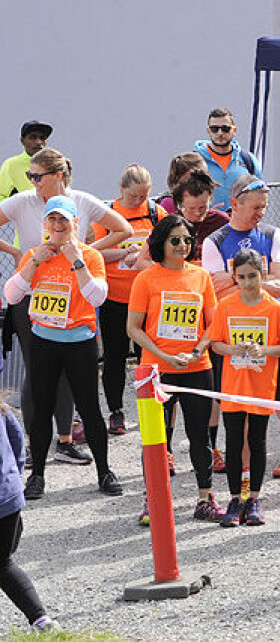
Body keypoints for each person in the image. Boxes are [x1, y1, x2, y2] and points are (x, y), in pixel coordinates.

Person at [0, 148, 132, 467]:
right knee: (37, 373)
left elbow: (124, 230)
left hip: (73, 291)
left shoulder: (82, 200)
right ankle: (33, 447)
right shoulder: (23, 201)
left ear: (58, 176)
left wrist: (86, 252)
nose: (32, 182)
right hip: (33, 289)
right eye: (30, 175)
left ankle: (65, 441)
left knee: (69, 375)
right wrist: (18, 253)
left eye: (37, 176)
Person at [202, 174, 280, 507]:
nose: (261, 213)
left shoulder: (271, 234)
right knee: (242, 418)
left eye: (265, 206)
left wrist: (239, 281)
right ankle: (244, 489)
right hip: (235, 340)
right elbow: (213, 285)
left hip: (272, 337)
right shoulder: (215, 240)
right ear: (235, 204)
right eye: (255, 207)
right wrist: (258, 283)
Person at [127, 215, 223, 525]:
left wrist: (196, 350)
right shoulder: (146, 279)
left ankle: (205, 497)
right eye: (175, 240)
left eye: (187, 240)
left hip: (196, 367)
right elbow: (133, 328)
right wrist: (161, 357)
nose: (183, 245)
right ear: (161, 243)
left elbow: (213, 324)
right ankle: (152, 500)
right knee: (158, 439)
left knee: (200, 437)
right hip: (156, 371)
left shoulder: (201, 277)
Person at [210, 249, 280, 527]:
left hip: (261, 384)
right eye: (242, 277)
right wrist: (231, 348)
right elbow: (215, 343)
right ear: (234, 277)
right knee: (234, 442)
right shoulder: (225, 305)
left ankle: (255, 498)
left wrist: (264, 350)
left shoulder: (273, 307)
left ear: (262, 275)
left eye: (253, 277)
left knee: (257, 441)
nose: (247, 283)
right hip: (233, 385)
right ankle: (235, 498)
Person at [95, 164, 168, 435]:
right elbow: (96, 254)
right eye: (135, 195)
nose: (139, 201)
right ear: (122, 189)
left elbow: (167, 246)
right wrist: (125, 254)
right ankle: (116, 412)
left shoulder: (155, 212)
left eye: (144, 195)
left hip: (148, 296)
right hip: (115, 296)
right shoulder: (108, 214)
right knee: (114, 356)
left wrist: (144, 258)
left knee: (146, 354)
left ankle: (151, 405)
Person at [0, 402, 58, 631]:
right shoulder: (3, 410)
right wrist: (13, 483)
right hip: (8, 501)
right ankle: (40, 619)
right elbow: (18, 448)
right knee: (3, 563)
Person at [194, 108, 263, 211]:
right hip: (207, 224)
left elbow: (260, 193)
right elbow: (184, 199)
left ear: (234, 130)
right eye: (214, 129)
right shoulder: (195, 161)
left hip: (242, 224)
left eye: (225, 128)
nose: (220, 133)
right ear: (208, 131)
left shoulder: (248, 160)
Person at [169, 170, 230, 266]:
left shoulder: (222, 221)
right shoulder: (170, 223)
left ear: (210, 199)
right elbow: (144, 259)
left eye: (202, 207)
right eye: (191, 208)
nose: (197, 213)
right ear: (181, 203)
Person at [0, 121, 52, 201]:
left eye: (42, 138)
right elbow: (1, 196)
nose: (38, 142)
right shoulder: (11, 165)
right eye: (33, 137)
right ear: (22, 141)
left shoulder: (53, 165)